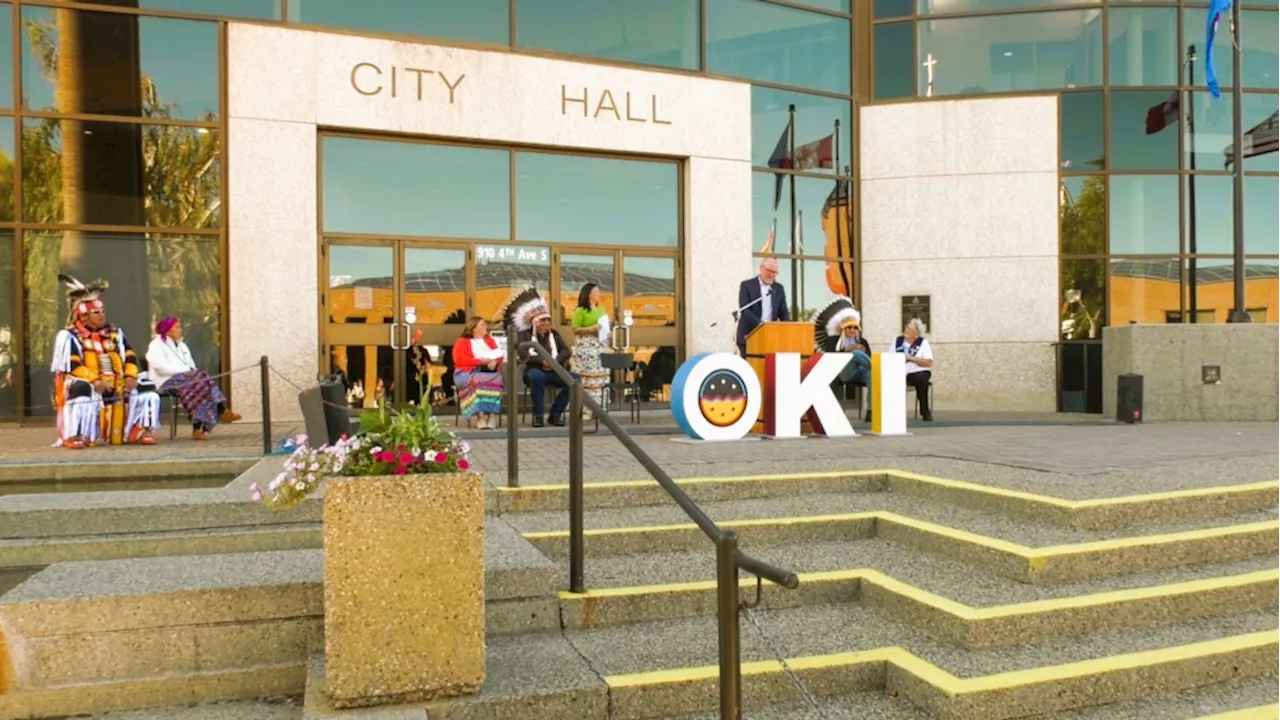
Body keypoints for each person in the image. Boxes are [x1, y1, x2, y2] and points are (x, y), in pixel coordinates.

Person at [50, 274, 161, 448]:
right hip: (87, 381)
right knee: (81, 388)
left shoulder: (115, 334)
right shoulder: (70, 337)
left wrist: (131, 375)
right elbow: (72, 365)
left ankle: (140, 430)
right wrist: (94, 380)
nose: (101, 316)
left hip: (117, 380)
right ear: (84, 316)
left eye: (102, 312)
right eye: (96, 313)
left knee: (147, 387)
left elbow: (130, 355)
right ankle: (77, 434)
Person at [146, 316, 241, 440]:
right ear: (167, 330)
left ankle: (198, 429)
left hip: (187, 381)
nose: (180, 330)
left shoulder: (183, 346)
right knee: (200, 382)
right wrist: (185, 371)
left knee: (200, 383)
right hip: (166, 381)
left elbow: (191, 365)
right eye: (177, 327)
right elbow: (159, 368)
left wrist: (189, 372)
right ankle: (219, 411)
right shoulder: (156, 345)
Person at [502, 286, 574, 428]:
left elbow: (566, 351)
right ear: (535, 321)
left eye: (548, 320)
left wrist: (554, 362)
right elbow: (524, 354)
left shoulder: (554, 334)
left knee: (575, 380)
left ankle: (555, 414)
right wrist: (542, 361)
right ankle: (538, 416)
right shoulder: (524, 335)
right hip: (533, 371)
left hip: (555, 370)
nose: (546, 323)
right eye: (542, 321)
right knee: (537, 377)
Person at [814, 296, 872, 421]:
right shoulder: (833, 341)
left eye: (855, 327)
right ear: (843, 329)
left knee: (871, 375)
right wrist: (846, 350)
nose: (852, 330)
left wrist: (862, 352)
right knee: (856, 354)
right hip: (842, 372)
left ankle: (870, 410)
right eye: (849, 327)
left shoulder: (863, 342)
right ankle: (876, 366)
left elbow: (869, 357)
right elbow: (829, 358)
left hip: (861, 371)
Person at [451, 317, 505, 429]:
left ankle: (492, 416)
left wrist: (495, 361)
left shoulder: (489, 340)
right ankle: (480, 418)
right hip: (466, 372)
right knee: (479, 381)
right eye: (482, 325)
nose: (486, 327)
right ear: (474, 328)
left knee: (497, 379)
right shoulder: (462, 341)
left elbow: (499, 355)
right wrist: (481, 362)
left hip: (488, 373)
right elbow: (459, 360)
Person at [736, 257, 789, 356]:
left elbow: (784, 312)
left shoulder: (779, 289)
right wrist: (761, 326)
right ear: (761, 268)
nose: (772, 275)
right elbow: (745, 310)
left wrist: (788, 329)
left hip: (770, 338)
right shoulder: (746, 285)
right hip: (749, 336)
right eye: (770, 271)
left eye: (775, 272)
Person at [570, 283, 609, 418]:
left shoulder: (601, 310)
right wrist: (590, 329)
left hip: (600, 346)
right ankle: (585, 409)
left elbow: (604, 327)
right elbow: (575, 329)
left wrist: (608, 333)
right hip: (586, 347)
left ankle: (599, 409)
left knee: (599, 381)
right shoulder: (581, 310)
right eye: (595, 291)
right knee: (586, 380)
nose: (598, 294)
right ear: (588, 294)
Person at [893, 318, 934, 422]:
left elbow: (929, 362)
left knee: (921, 379)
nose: (905, 330)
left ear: (916, 332)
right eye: (906, 328)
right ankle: (895, 412)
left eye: (909, 329)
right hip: (900, 372)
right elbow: (889, 358)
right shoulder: (897, 342)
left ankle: (925, 411)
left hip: (918, 372)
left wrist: (912, 358)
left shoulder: (923, 343)